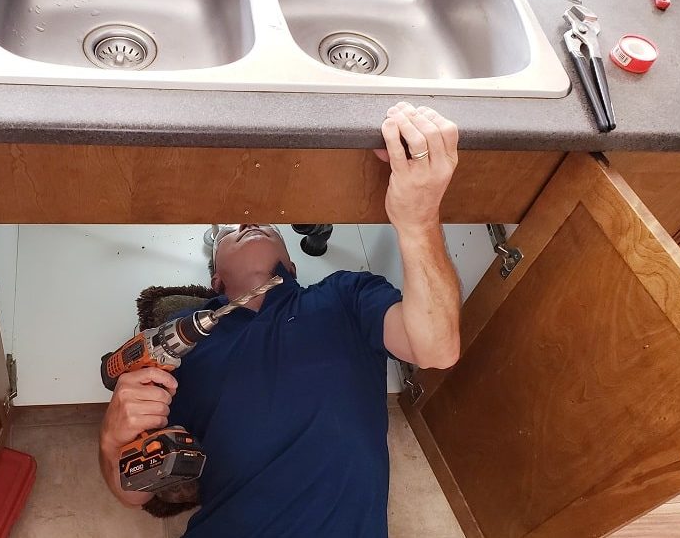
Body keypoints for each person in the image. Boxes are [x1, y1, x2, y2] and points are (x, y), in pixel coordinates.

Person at [98, 102, 463, 537]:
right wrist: (112, 443)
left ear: (291, 264)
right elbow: (135, 494)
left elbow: (437, 349)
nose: (249, 221)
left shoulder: (345, 296)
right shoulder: (178, 344)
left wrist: (419, 220)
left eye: (268, 225)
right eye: (230, 231)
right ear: (216, 279)